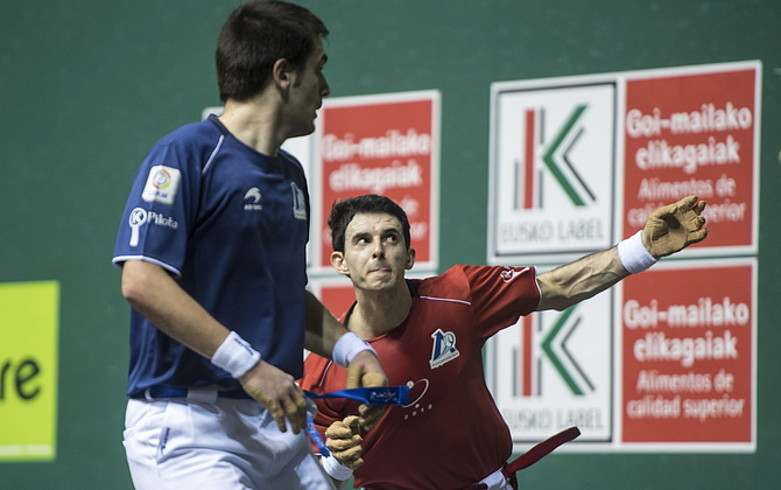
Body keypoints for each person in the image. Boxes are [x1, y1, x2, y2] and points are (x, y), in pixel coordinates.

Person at [111, 2, 386, 488]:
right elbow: (141, 279)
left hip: (278, 428)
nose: (325, 88)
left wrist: (352, 350)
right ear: (284, 75)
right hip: (190, 429)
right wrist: (249, 366)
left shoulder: (291, 175)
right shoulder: (186, 154)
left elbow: (282, 298)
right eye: (318, 69)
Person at [300, 193, 709, 489]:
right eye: (362, 241)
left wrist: (643, 248)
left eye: (391, 238)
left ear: (408, 255)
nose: (378, 252)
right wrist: (336, 461)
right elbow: (315, 477)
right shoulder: (321, 368)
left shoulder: (458, 293)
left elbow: (559, 287)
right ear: (340, 263)